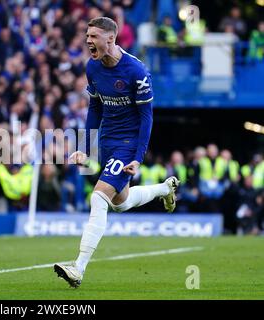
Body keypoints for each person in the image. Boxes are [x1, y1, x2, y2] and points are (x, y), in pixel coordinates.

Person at [53, 17, 179, 288]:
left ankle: (78, 267)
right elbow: (95, 108)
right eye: (87, 35)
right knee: (119, 203)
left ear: (111, 39)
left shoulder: (137, 71)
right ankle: (164, 190)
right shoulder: (92, 68)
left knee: (98, 198)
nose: (88, 41)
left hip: (128, 143)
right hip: (108, 141)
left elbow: (147, 117)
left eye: (94, 36)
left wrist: (137, 156)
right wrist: (84, 147)